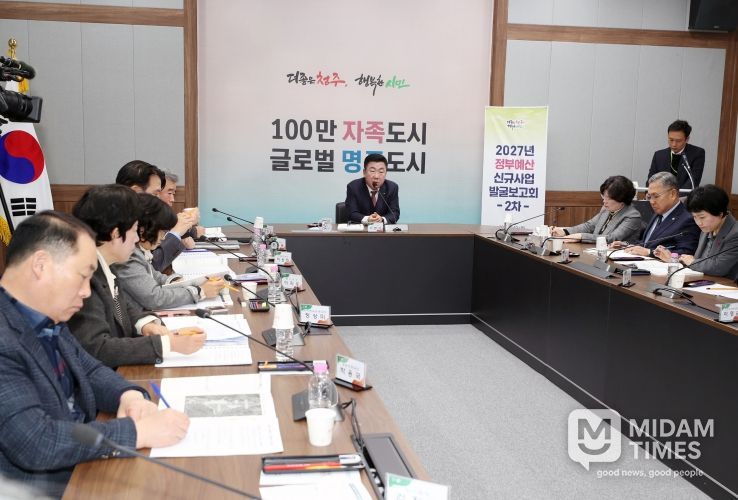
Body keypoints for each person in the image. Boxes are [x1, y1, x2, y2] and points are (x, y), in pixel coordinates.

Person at [0, 211, 188, 497]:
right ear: (41, 265)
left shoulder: (43, 314)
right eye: (82, 276)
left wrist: (128, 396)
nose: (87, 292)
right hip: (40, 487)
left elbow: (89, 369)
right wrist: (136, 433)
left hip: (82, 460)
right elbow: (37, 442)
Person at [68, 185, 206, 368]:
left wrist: (146, 324)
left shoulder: (106, 266)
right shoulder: (85, 279)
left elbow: (123, 308)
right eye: (134, 230)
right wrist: (166, 345)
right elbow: (98, 348)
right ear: (116, 233)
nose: (136, 239)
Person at [112, 193, 225, 311]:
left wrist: (180, 282)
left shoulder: (137, 251)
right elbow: (155, 298)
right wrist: (200, 291)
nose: (163, 237)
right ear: (142, 230)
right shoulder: (128, 257)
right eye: (161, 231)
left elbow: (154, 275)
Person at [116, 160, 195, 271]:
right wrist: (176, 232)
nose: (158, 200)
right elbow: (150, 267)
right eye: (155, 194)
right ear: (135, 192)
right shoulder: (118, 225)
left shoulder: (138, 219)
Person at [612, 172, 700, 257]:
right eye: (649, 197)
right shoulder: (659, 214)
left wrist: (649, 252)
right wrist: (627, 245)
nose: (652, 201)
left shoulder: (687, 219)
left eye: (656, 196)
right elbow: (646, 243)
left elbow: (685, 253)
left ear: (672, 194)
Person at [670, 185, 738, 279]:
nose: (698, 222)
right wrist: (675, 259)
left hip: (725, 285)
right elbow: (698, 260)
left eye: (702, 217)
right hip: (702, 281)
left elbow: (719, 267)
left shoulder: (735, 234)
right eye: (695, 217)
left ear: (720, 213)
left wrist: (692, 262)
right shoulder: (707, 228)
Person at [551, 175, 642, 244]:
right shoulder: (607, 209)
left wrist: (581, 237)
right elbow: (589, 226)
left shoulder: (632, 216)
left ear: (622, 199)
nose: (604, 201)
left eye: (608, 198)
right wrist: (565, 231)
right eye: (603, 196)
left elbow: (611, 238)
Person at [647, 119, 705, 190]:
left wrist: (675, 195)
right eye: (671, 140)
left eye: (678, 141)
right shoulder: (659, 155)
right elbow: (651, 179)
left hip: (684, 195)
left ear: (687, 139)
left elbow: (693, 180)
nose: (674, 144)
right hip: (661, 194)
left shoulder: (697, 153)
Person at [345, 153, 400, 224]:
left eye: (381, 172)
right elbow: (351, 213)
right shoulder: (353, 187)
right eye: (372, 171)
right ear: (364, 172)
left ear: (386, 173)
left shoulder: (392, 187)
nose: (376, 176)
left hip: (383, 230)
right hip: (360, 229)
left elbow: (395, 213)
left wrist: (382, 219)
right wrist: (367, 219)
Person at [158, 171, 205, 248]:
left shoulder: (164, 214)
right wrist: (192, 232)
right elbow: (158, 248)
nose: (172, 199)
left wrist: (190, 229)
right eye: (169, 193)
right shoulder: (146, 215)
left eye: (173, 194)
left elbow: (168, 232)